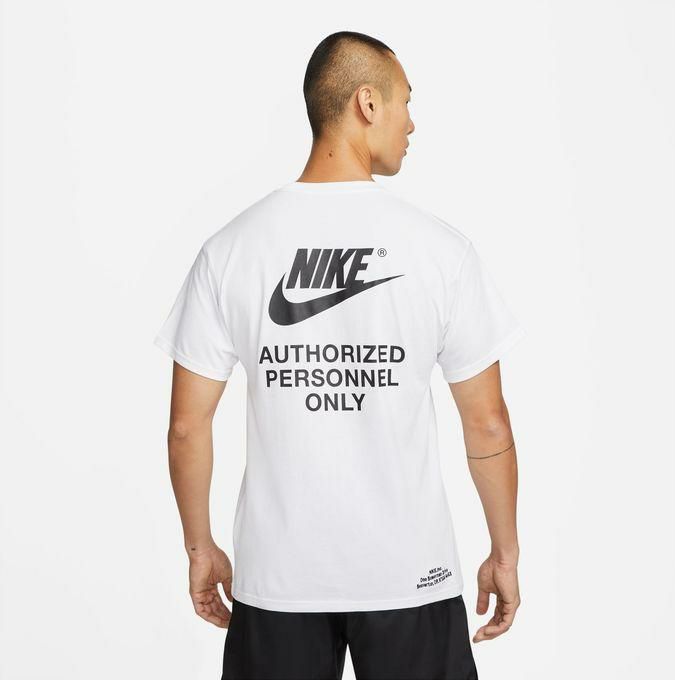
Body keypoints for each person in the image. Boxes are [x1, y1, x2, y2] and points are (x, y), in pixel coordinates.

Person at [154, 30, 526, 680]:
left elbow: (187, 425)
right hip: (410, 575)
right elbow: (488, 424)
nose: (412, 122)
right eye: (406, 101)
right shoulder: (440, 252)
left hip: (277, 580)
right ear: (367, 103)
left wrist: (199, 547)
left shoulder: (232, 249)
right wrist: (505, 551)